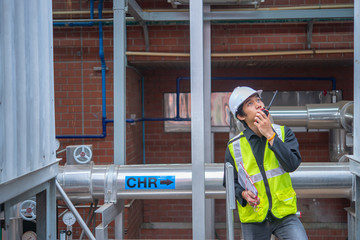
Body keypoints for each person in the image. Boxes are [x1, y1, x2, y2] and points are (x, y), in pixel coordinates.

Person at [223, 86, 308, 240]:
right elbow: (230, 182)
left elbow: (292, 164)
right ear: (241, 116)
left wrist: (270, 134)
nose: (259, 105)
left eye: (258, 100)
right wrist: (242, 194)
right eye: (250, 103)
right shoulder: (234, 146)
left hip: (284, 214)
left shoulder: (283, 133)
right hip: (254, 217)